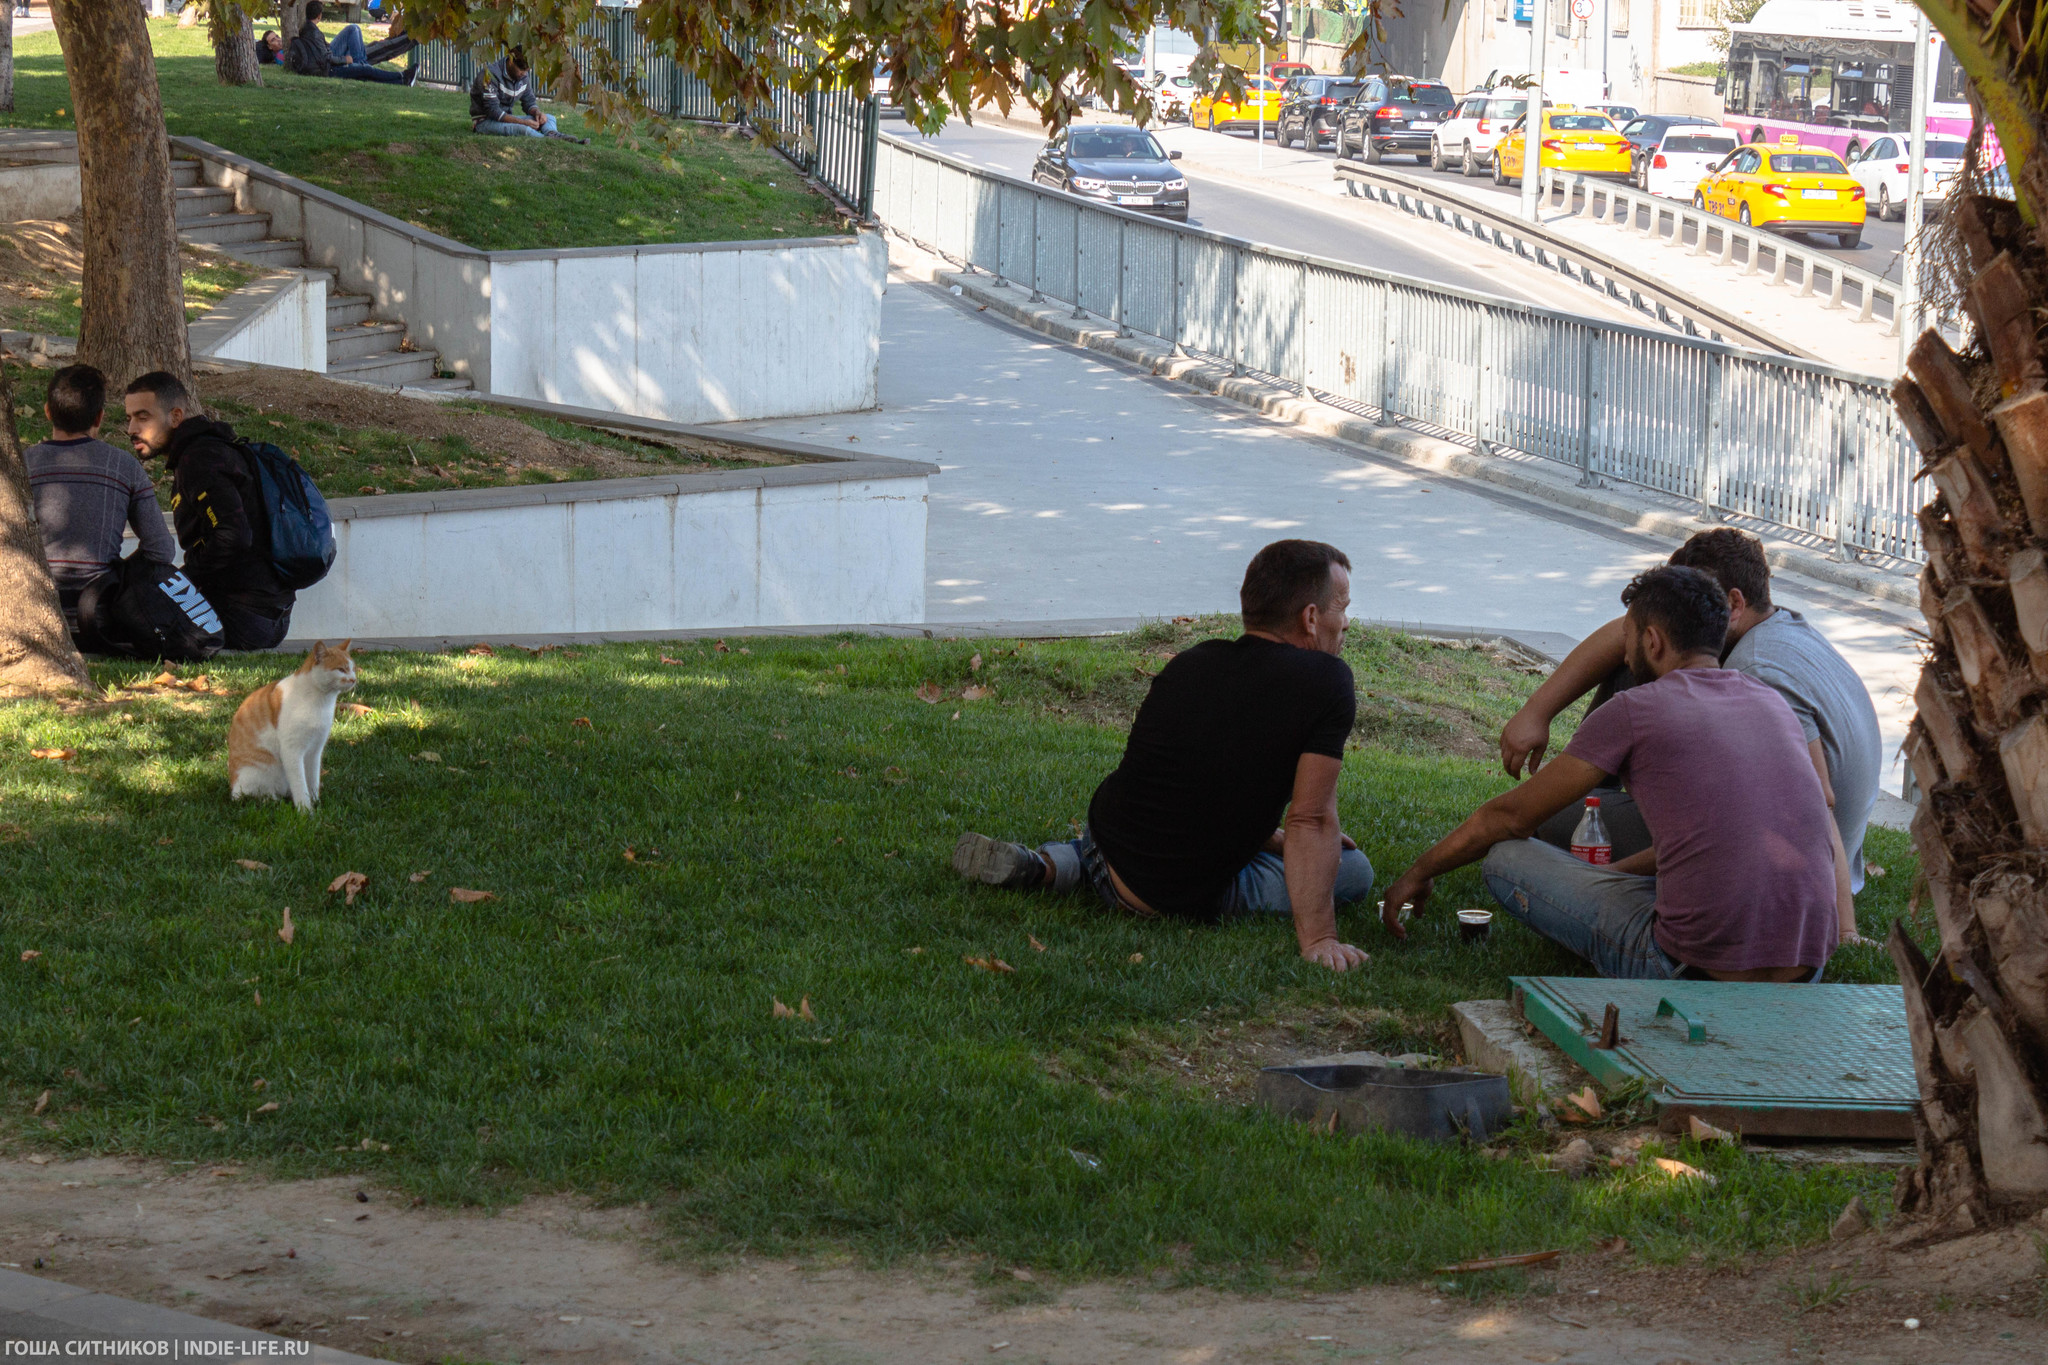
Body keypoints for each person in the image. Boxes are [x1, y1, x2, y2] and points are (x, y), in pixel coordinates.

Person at [1379, 566, 1841, 982]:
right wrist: (1610, 877)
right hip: (1805, 971)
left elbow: (1510, 818)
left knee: (1506, 857)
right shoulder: (1771, 704)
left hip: (1690, 972)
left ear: (1652, 641)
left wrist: (1419, 870)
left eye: (1628, 634)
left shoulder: (1636, 710)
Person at [951, 540, 1375, 972]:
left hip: (1107, 844)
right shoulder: (1327, 681)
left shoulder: (1193, 661)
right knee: (1355, 870)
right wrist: (1320, 938)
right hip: (1172, 893)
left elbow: (1191, 781)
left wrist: (1272, 838)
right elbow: (1312, 819)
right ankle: (1070, 869)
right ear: (1310, 617)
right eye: (1341, 608)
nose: (1345, 624)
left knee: (1147, 850)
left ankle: (1049, 865)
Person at [1502, 528, 1882, 926]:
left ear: (1734, 602)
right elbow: (1632, 631)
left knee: (1549, 818)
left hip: (1781, 859)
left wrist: (1609, 878)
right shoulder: (1779, 628)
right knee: (1641, 658)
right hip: (1793, 843)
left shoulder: (1754, 673)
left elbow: (1740, 822)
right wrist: (1537, 711)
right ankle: (1589, 793)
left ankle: (1584, 807)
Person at [123, 372, 296, 652]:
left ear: (176, 417)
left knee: (133, 600)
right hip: (268, 615)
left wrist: (186, 579)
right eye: (128, 418)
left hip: (245, 618)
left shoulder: (199, 459)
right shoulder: (211, 449)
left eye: (143, 417)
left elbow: (234, 535)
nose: (131, 428)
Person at [24, 365, 178, 640]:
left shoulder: (20, 465)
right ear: (100, 417)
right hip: (99, 623)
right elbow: (162, 550)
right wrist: (115, 577)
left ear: (48, 411)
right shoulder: (125, 466)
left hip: (31, 619)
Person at [286, 2, 418, 85]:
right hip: (330, 68)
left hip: (328, 62)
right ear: (320, 16)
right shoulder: (312, 32)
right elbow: (325, 59)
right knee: (364, 68)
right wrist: (345, 60)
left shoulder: (309, 30)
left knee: (354, 29)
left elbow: (322, 53)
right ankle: (401, 78)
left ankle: (400, 78)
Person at [470, 48, 582, 140]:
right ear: (510, 61)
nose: (524, 73)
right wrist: (524, 122)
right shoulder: (490, 75)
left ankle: (552, 134)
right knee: (523, 129)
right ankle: (547, 140)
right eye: (521, 70)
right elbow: (494, 112)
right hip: (485, 121)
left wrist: (537, 113)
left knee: (549, 118)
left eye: (527, 70)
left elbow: (529, 101)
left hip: (505, 119)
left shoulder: (522, 76)